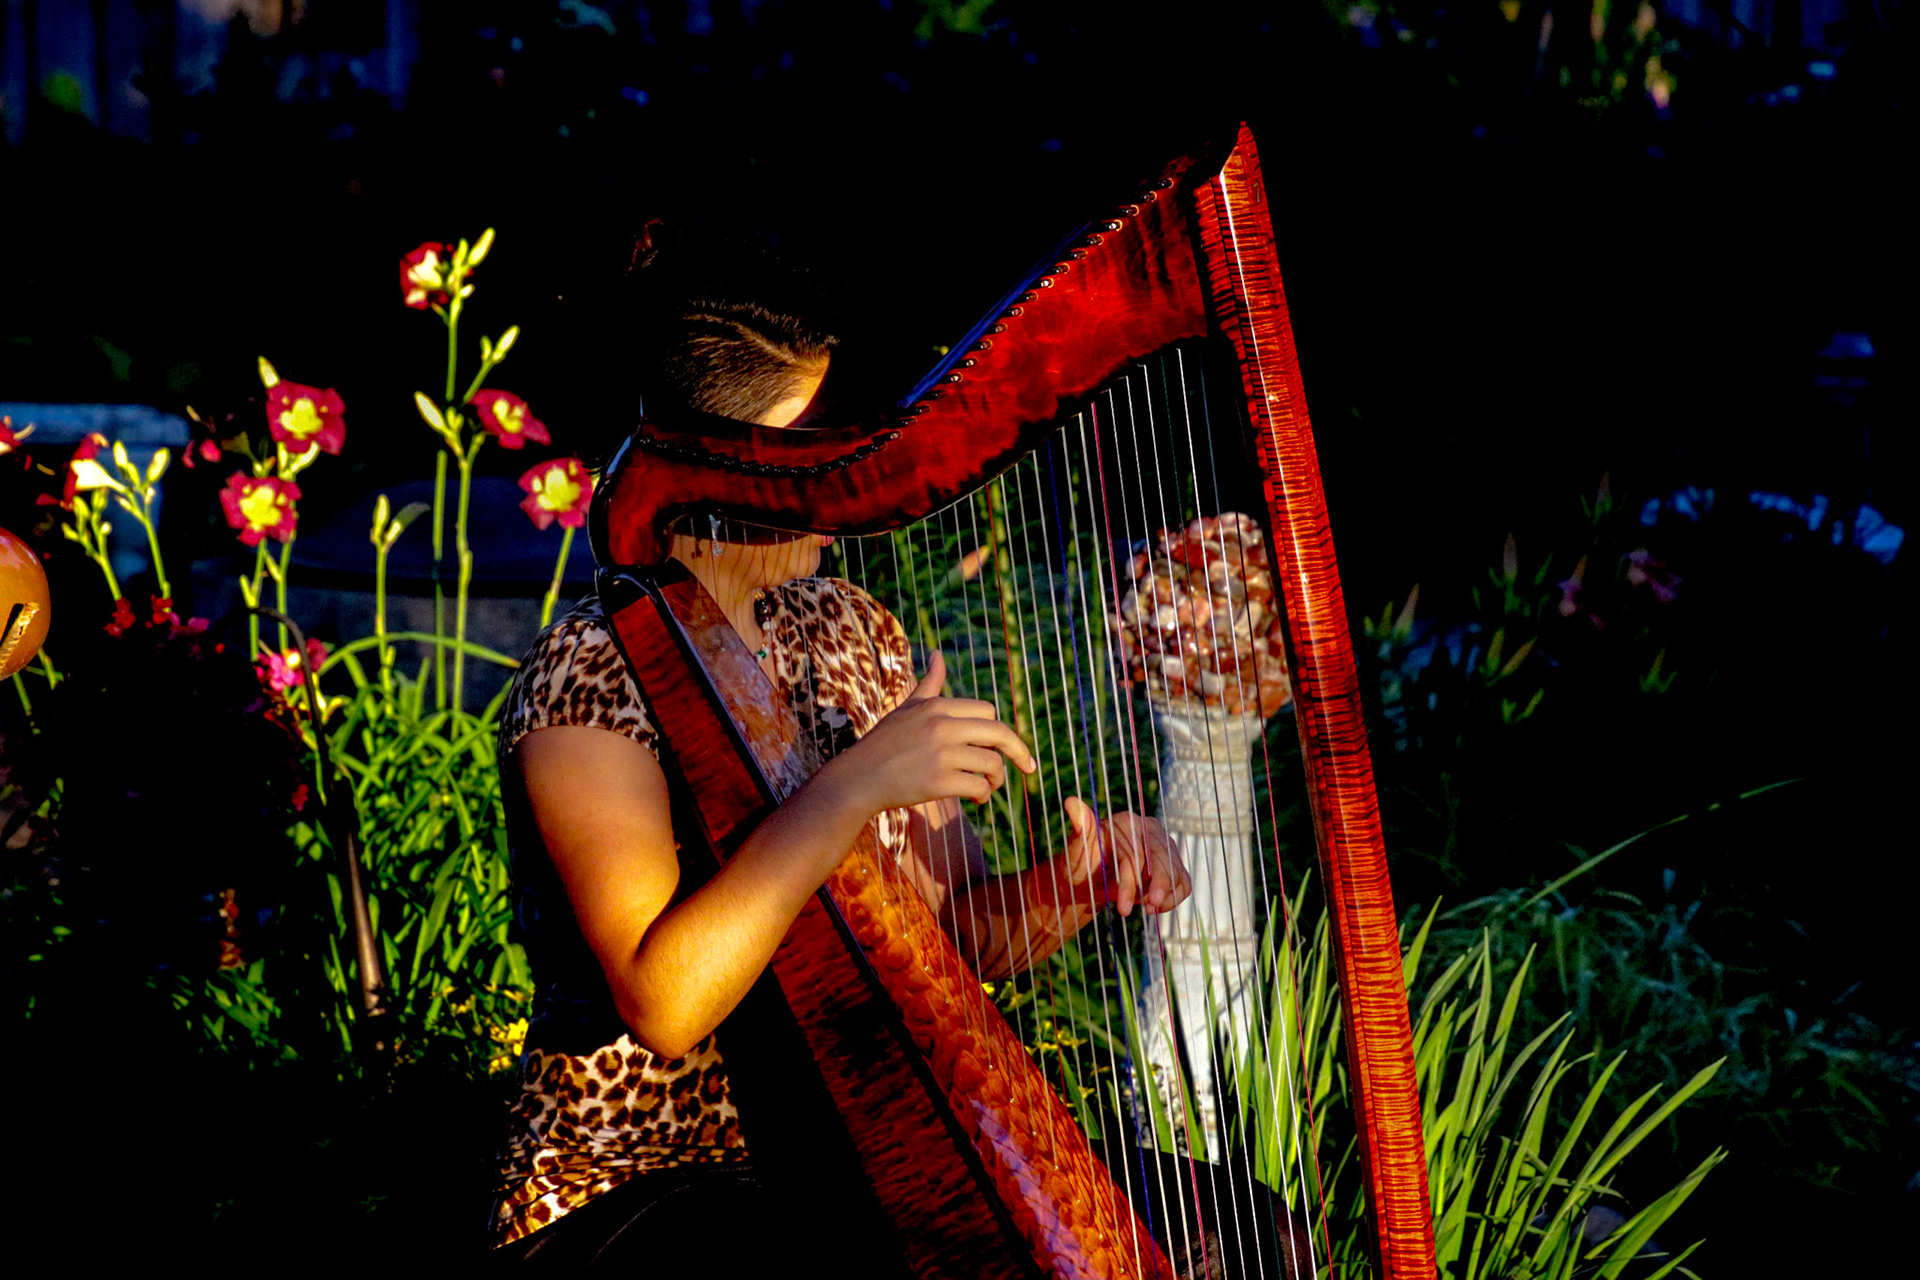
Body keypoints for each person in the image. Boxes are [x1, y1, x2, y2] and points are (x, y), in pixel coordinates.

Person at [488, 238, 1192, 1273]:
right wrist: (855, 784)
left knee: (1221, 1220)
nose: (835, 469)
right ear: (712, 467)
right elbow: (664, 1002)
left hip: (842, 1154)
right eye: (808, 447)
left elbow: (958, 934)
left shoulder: (845, 626)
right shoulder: (588, 674)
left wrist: (1073, 886)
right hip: (637, 1193)